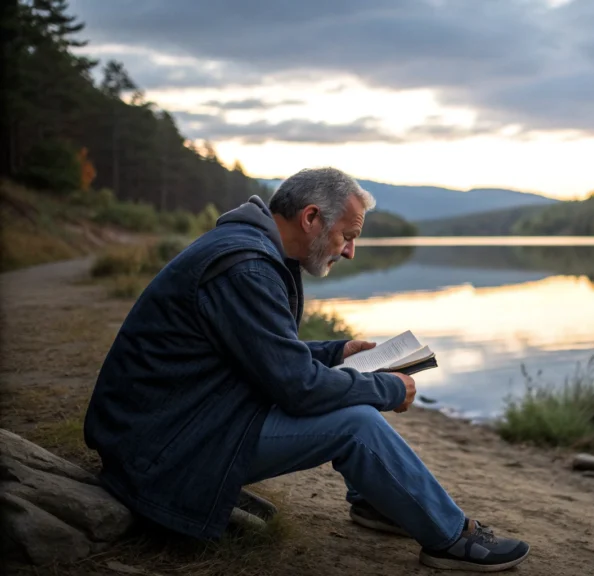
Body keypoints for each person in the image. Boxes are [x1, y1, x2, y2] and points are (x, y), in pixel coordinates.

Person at [83, 167, 530, 572]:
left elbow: (260, 352)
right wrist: (388, 389)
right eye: (348, 236)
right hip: (165, 449)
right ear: (311, 218)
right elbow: (297, 388)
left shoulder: (252, 250)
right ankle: (451, 540)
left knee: (352, 396)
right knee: (357, 422)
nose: (351, 252)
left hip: (177, 424)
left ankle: (379, 502)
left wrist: (337, 352)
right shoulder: (248, 268)